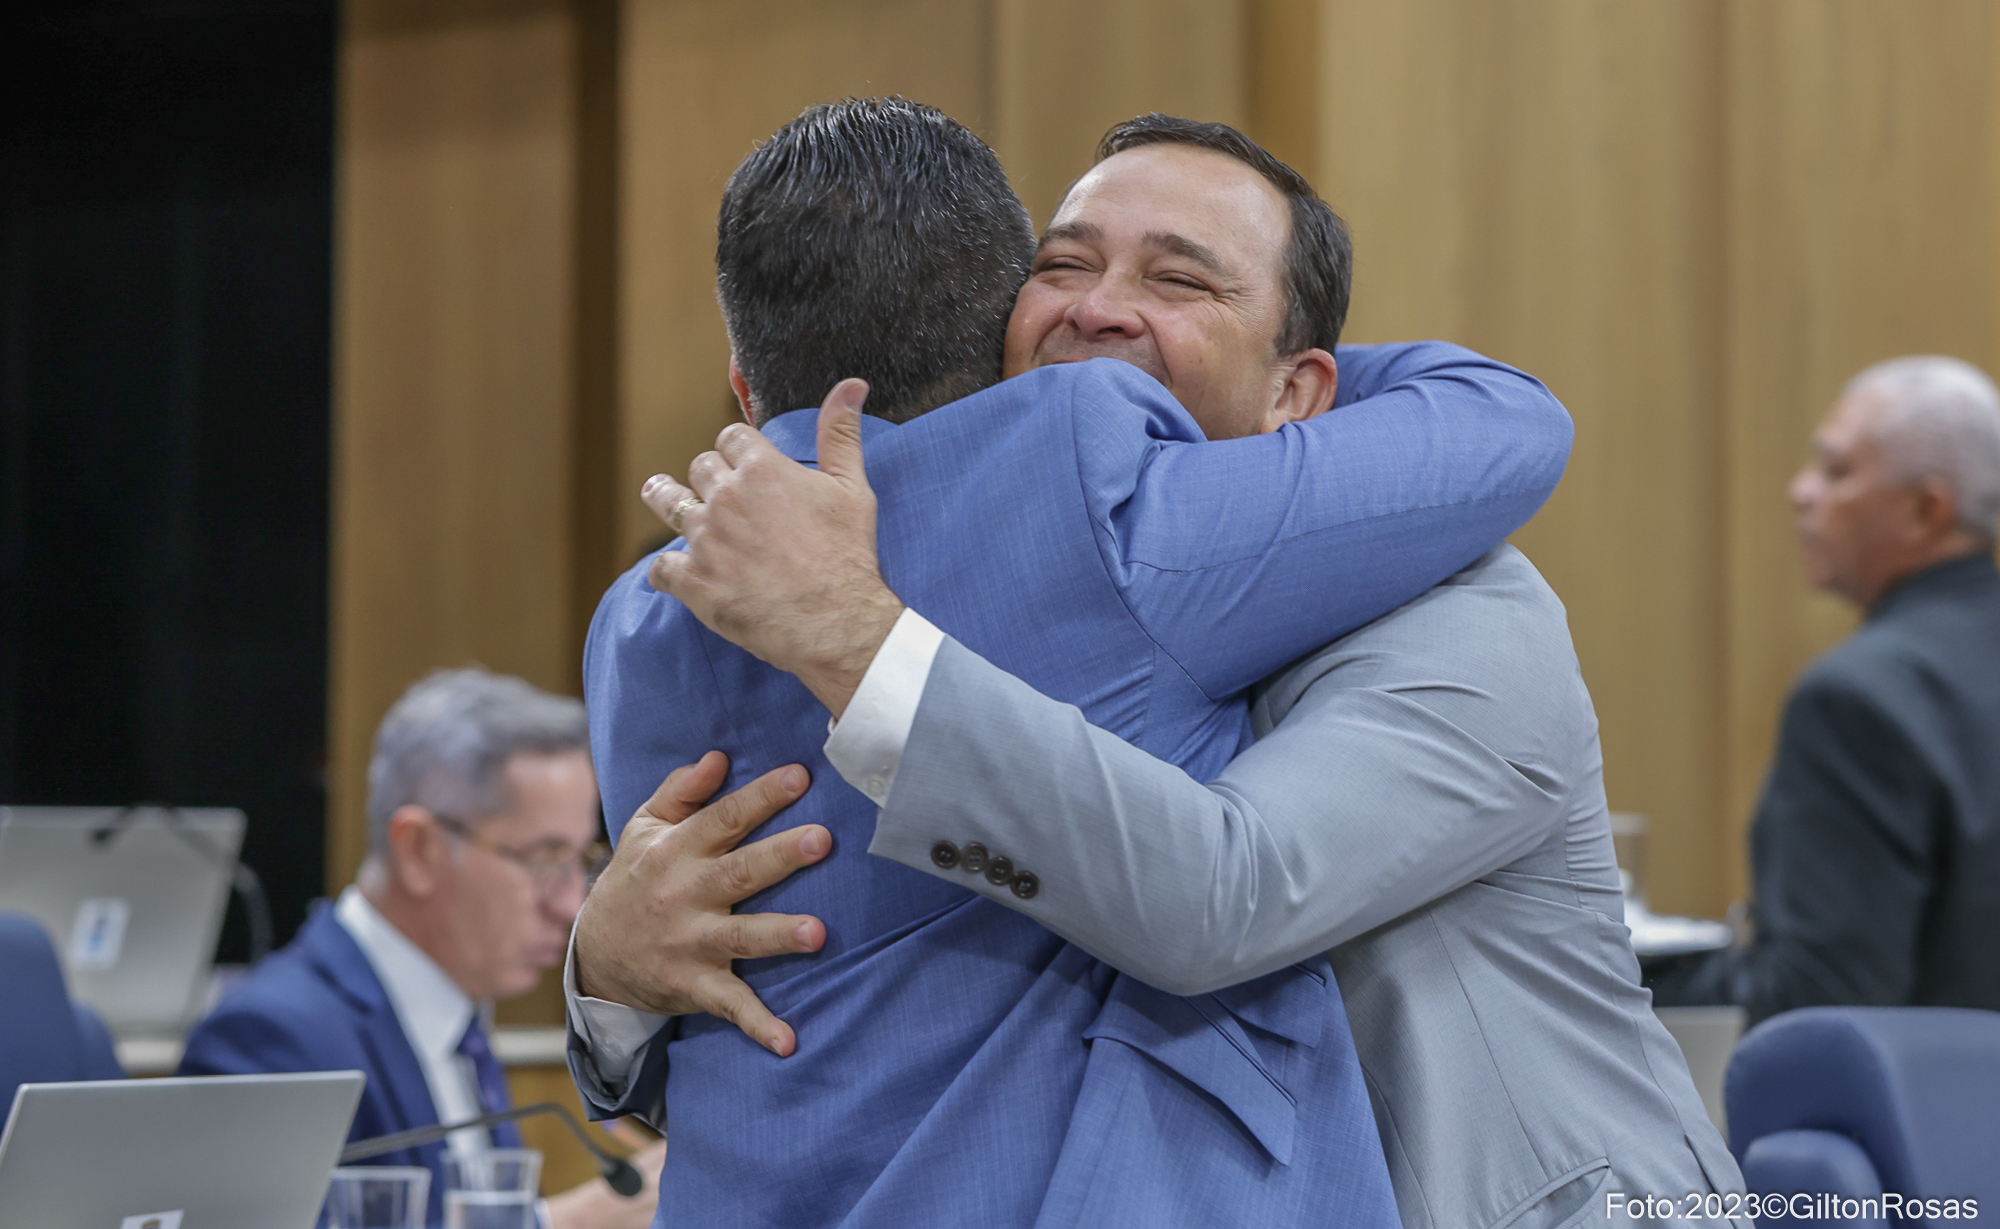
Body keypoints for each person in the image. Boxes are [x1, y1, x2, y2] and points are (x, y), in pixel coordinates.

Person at [610, 126, 1746, 1228]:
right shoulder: (1005, 572)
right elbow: (842, 1011)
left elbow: (1225, 893)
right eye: (1063, 265)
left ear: (1301, 391)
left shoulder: (1465, 610)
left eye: (1181, 281)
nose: (1098, 307)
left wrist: (855, 643)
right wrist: (603, 970)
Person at [180, 669, 664, 1229]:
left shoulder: (458, 1018)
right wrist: (563, 1224)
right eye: (542, 860)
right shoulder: (271, 1038)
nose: (569, 904)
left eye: (580, 861)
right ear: (419, 850)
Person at [1653, 356, 2000, 1023]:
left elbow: (1820, 999)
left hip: (1932, 1091)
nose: (1800, 491)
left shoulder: (1859, 700)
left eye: (1836, 471)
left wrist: (1631, 979)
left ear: (1926, 510)